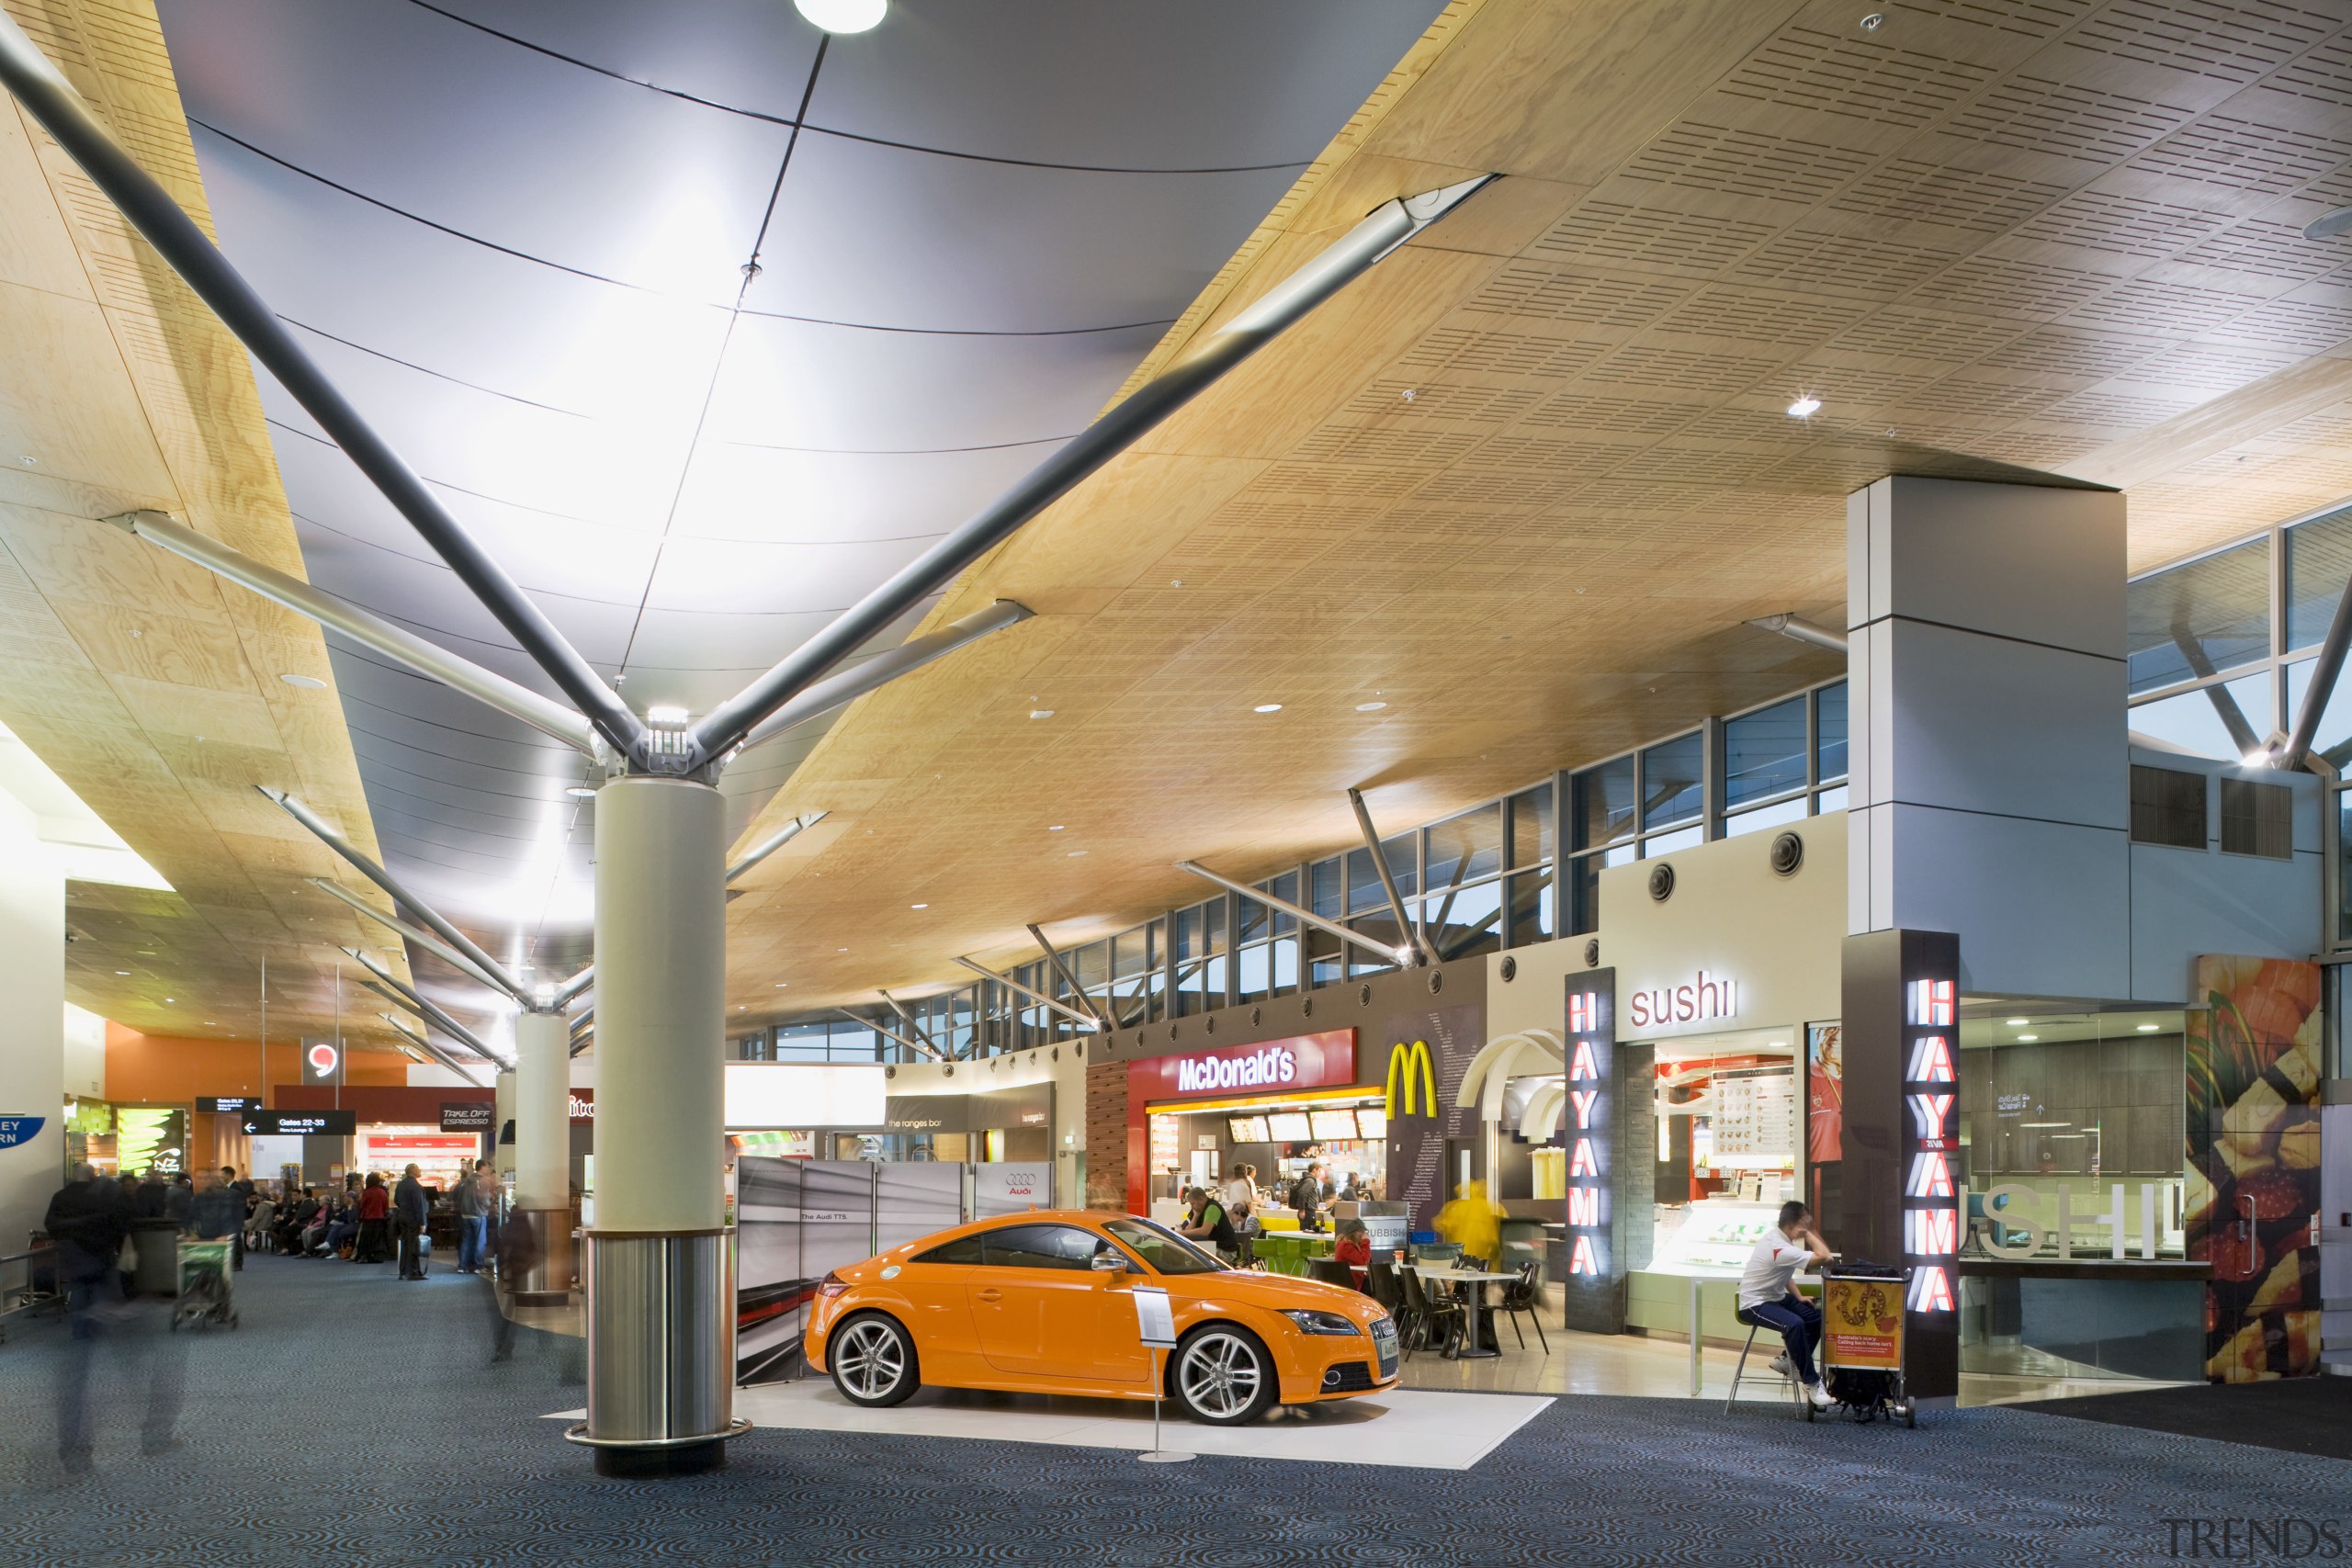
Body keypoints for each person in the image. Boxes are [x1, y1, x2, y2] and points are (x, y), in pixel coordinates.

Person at [1738, 1200, 1836, 1410]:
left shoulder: (1780, 1240)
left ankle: (1787, 1361)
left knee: (1816, 1317)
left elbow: (1783, 1273)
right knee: (1795, 1324)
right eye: (1807, 1223)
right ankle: (1812, 1383)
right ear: (1796, 1224)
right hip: (1754, 1303)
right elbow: (1826, 1258)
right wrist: (1810, 1234)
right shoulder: (1780, 1247)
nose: (1809, 1227)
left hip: (1775, 1297)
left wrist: (1799, 1296)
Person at [1175, 1186, 1236, 1258]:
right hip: (1212, 1245)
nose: (1192, 1207)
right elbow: (1188, 1231)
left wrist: (1181, 1233)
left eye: (1193, 1204)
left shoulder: (1212, 1208)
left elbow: (1205, 1231)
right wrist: (1196, 1216)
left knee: (1191, 1255)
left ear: (1200, 1199)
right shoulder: (1198, 1209)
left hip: (1225, 1250)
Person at [392, 1163, 430, 1280]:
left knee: (405, 1244)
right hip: (413, 1219)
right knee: (413, 1245)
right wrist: (422, 1223)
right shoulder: (416, 1187)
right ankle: (414, 1272)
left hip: (402, 1217)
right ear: (413, 1171)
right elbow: (419, 1207)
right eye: (418, 1169)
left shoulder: (401, 1185)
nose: (420, 1171)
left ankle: (403, 1271)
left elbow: (396, 1200)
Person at [455, 1158, 492, 1274]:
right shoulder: (482, 1181)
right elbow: (484, 1199)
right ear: (483, 1167)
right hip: (478, 1213)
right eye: (487, 1167)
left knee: (466, 1241)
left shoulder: (466, 1181)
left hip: (465, 1214)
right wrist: (490, 1203)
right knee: (480, 1241)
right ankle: (478, 1266)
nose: (488, 1169)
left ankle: (462, 1266)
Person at [354, 1172, 391, 1263]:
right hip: (380, 1217)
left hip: (367, 1218)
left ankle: (364, 1256)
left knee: (366, 1238)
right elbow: (386, 1205)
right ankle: (377, 1256)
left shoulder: (366, 1193)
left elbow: (362, 1205)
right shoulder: (382, 1192)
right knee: (378, 1239)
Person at [1333, 1217, 1373, 1289]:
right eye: (1360, 1231)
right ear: (1352, 1233)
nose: (1363, 1234)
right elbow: (1364, 1261)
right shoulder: (1345, 1245)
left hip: (1355, 1280)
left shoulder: (1354, 1245)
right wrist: (1366, 1242)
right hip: (1350, 1284)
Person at [1290, 1163, 1327, 1233]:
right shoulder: (1310, 1181)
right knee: (1308, 1234)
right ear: (1314, 1170)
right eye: (1319, 1171)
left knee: (1306, 1234)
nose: (1320, 1174)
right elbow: (1302, 1194)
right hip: (1308, 1213)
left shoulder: (1307, 1180)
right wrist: (1302, 1210)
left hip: (1307, 1212)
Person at [1220, 1164, 1257, 1229]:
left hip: (1230, 1212)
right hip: (1240, 1213)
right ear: (1245, 1172)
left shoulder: (1231, 1183)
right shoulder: (1245, 1184)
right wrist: (1251, 1217)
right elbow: (1249, 1202)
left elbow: (1228, 1197)